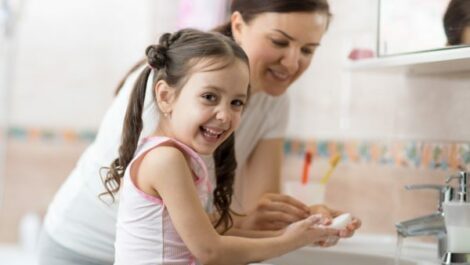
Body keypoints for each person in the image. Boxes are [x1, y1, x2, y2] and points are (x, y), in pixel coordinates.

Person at [39, 1, 361, 264]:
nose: (292, 62)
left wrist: (304, 222)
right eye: (279, 42)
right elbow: (206, 244)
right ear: (238, 25)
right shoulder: (171, 95)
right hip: (80, 247)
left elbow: (251, 211)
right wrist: (287, 237)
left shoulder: (273, 103)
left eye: (308, 50)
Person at [109, 28, 340, 265]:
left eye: (237, 102)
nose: (225, 115)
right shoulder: (165, 159)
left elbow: (214, 235)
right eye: (209, 97)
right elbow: (211, 251)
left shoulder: (178, 157)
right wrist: (291, 241)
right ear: (166, 96)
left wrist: (303, 233)